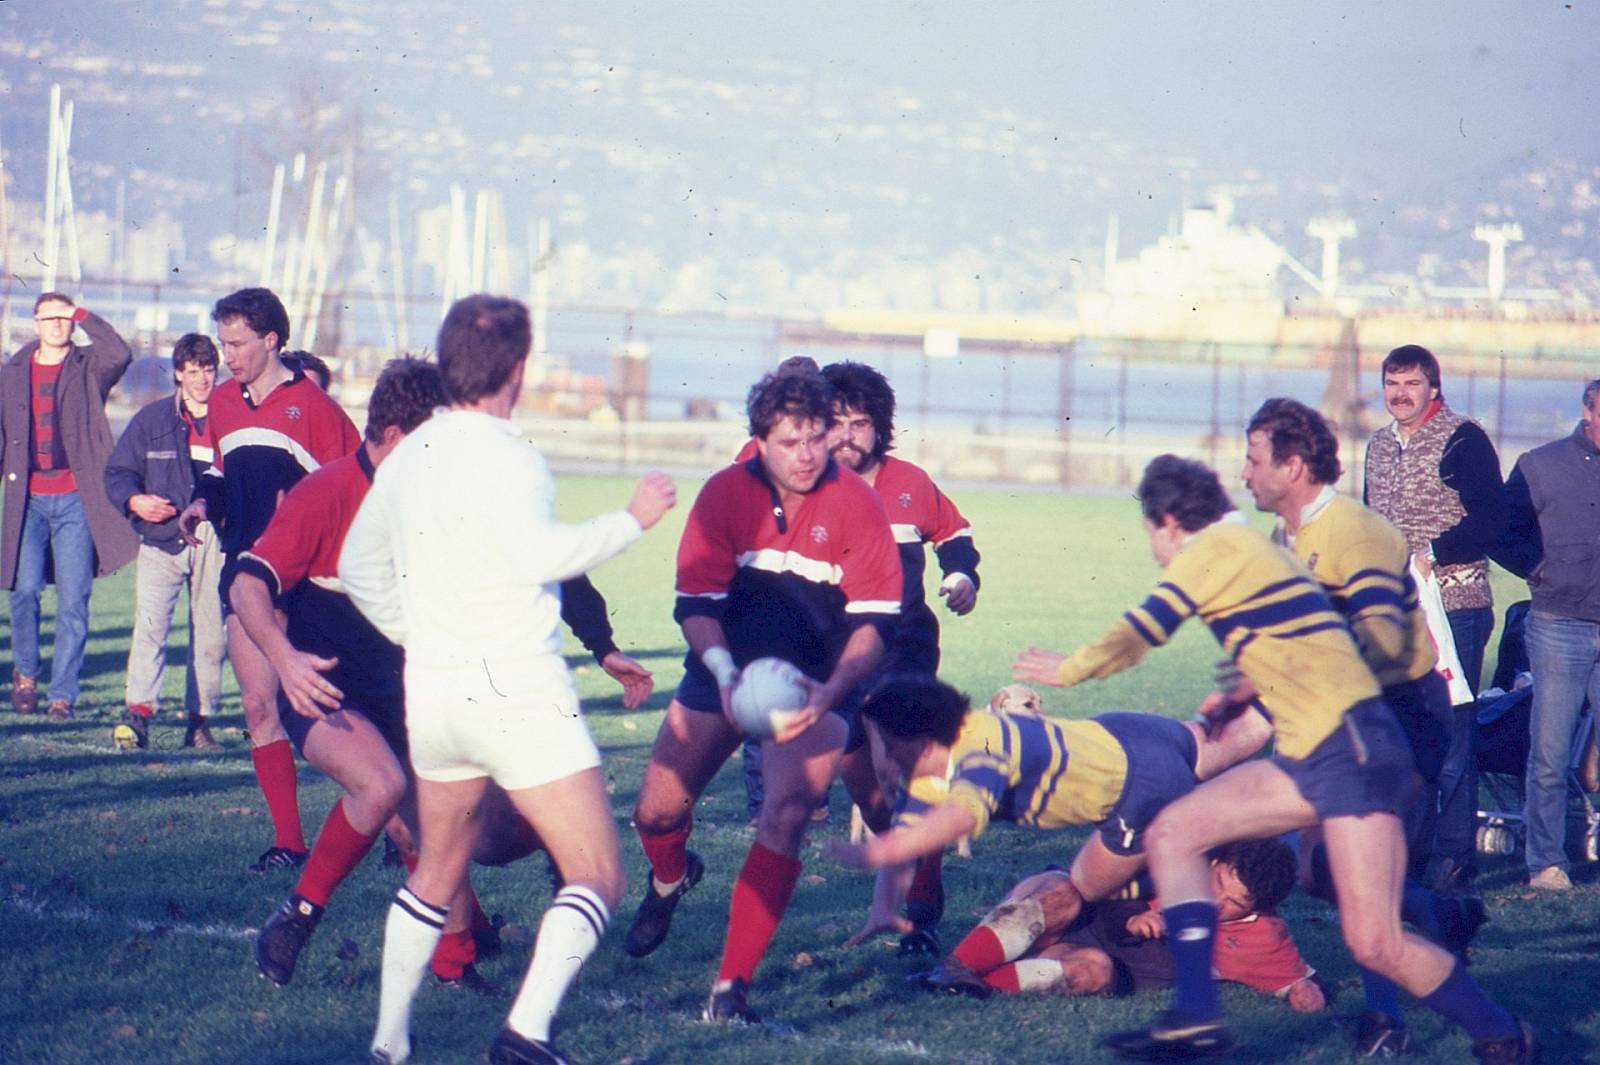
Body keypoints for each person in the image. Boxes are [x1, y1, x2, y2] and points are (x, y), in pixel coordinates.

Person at [1012, 455, 1533, 1064]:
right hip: (1319, 751)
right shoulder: (1261, 548)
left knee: (1375, 941)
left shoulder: (1219, 554)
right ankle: (1197, 1019)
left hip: (1354, 756)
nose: (1246, 471)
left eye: (1151, 529)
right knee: (1176, 832)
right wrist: (1243, 691)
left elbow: (1143, 628)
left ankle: (1501, 1034)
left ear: (1170, 524)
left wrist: (1069, 670)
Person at [339, 294, 676, 1065]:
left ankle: (388, 1043)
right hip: (518, 691)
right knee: (597, 873)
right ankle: (526, 1030)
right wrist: (632, 519)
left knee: (436, 869)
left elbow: (358, 566)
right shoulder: (513, 455)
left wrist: (416, 631)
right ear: (518, 369)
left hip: (435, 694)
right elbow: (540, 555)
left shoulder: (411, 454)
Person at [623, 365, 903, 1025]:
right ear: (759, 441)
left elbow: (874, 624)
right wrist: (724, 673)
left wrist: (831, 691)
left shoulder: (858, 502)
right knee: (656, 814)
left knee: (787, 813)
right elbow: (696, 604)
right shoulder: (724, 493)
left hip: (817, 679)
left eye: (816, 437)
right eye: (789, 441)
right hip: (724, 664)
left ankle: (730, 989)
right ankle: (670, 878)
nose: (806, 454)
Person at [1241, 397, 1487, 1054]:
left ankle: (1388, 1020)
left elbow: (1381, 643)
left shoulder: (1357, 535)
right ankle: (1439, 912)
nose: (1243, 472)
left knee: (1355, 874)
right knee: (1317, 870)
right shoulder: (1288, 537)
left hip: (1397, 719)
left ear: (1293, 466)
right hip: (1343, 718)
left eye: (1254, 458)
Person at [827, 675, 1267, 986]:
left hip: (1141, 789)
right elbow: (908, 841)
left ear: (919, 742)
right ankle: (1285, 680)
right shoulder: (932, 767)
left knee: (1085, 887)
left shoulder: (982, 747)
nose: (883, 760)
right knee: (1236, 733)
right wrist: (884, 907)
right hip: (1124, 733)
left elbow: (961, 816)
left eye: (886, 746)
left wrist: (880, 852)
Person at [177, 287, 361, 873]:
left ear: (271, 340)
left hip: (309, 584)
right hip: (245, 575)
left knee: (340, 707)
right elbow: (217, 471)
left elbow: (356, 491)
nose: (226, 356)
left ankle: (388, 816)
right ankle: (289, 843)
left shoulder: (316, 409)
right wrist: (202, 503)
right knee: (259, 704)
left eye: (237, 344)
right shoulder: (223, 403)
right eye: (223, 344)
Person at [1364, 344, 1506, 894]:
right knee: (1403, 737)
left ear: (1434, 388)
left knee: (1452, 736)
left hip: (1455, 608)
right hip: (1396, 613)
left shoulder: (1463, 439)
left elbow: (1492, 519)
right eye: (1392, 383)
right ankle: (1408, 855)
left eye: (1411, 384)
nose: (1400, 394)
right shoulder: (1379, 445)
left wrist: (1435, 552)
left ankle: (1453, 858)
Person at [927, 840, 1324, 1014]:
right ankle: (955, 966)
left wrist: (1303, 992)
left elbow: (1296, 978)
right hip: (1067, 913)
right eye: (1218, 883)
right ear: (1216, 863)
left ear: (1259, 909)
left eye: (1235, 904)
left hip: (1090, 957)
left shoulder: (1262, 935)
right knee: (1063, 891)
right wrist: (1131, 916)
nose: (1217, 901)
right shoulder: (1180, 854)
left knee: (1095, 971)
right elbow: (1099, 876)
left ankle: (978, 984)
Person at [2, 293, 138, 718]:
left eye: (64, 317)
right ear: (36, 323)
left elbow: (119, 352)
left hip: (76, 499)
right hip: (27, 500)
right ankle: (26, 674)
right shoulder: (12, 373)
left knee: (74, 600)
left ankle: (62, 695)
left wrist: (83, 313)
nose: (57, 324)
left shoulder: (88, 367)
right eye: (49, 317)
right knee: (24, 590)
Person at [1492, 378, 1600, 892]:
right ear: (1588, 410)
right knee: (1550, 753)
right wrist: (1537, 568)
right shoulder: (1540, 465)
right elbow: (1498, 529)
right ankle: (1546, 863)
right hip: (1559, 625)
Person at [103, 333, 226, 749]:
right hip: (161, 538)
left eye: (208, 370)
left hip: (214, 538)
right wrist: (135, 500)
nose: (202, 379)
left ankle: (199, 722)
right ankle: (138, 717)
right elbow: (118, 473)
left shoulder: (231, 417)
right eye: (193, 371)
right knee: (151, 628)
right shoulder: (152, 419)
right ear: (177, 374)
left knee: (210, 633)